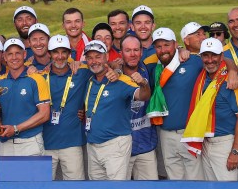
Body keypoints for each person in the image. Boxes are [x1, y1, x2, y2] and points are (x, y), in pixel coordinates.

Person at [82, 40, 150, 180]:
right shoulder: (89, 80)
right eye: (89, 57)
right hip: (93, 145)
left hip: (115, 144)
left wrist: (143, 84)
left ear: (106, 56)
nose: (94, 61)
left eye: (98, 56)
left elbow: (142, 96)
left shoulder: (120, 80)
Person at [188, 38, 238, 181]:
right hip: (206, 143)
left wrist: (235, 152)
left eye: (214, 55)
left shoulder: (231, 81)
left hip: (225, 145)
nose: (210, 60)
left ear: (221, 56)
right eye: (206, 55)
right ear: (201, 57)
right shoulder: (202, 77)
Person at [148, 27, 205, 179]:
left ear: (175, 44)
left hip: (189, 133)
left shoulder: (193, 61)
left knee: (195, 182)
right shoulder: (156, 70)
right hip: (166, 135)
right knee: (175, 183)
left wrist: (232, 70)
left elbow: (220, 61)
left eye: (166, 45)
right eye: (158, 46)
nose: (163, 50)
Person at [0, 38, 51, 157]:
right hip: (5, 144)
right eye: (10, 54)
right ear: (4, 57)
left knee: (33, 177)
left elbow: (44, 114)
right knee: (10, 177)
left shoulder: (37, 79)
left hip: (31, 142)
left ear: (24, 54)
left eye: (17, 53)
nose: (14, 57)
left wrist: (16, 128)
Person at [41, 35, 89, 180]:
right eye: (56, 52)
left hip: (72, 144)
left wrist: (116, 69)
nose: (60, 56)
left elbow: (103, 66)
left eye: (64, 52)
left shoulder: (81, 72)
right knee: (42, 188)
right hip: (45, 144)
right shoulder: (40, 77)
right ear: (49, 54)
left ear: (69, 54)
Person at [120, 35, 158, 180]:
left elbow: (171, 55)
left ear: (142, 51)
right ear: (121, 53)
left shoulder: (149, 68)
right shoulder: (112, 74)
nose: (133, 54)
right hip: (122, 148)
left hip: (145, 145)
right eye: (128, 50)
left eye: (136, 50)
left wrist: (180, 49)